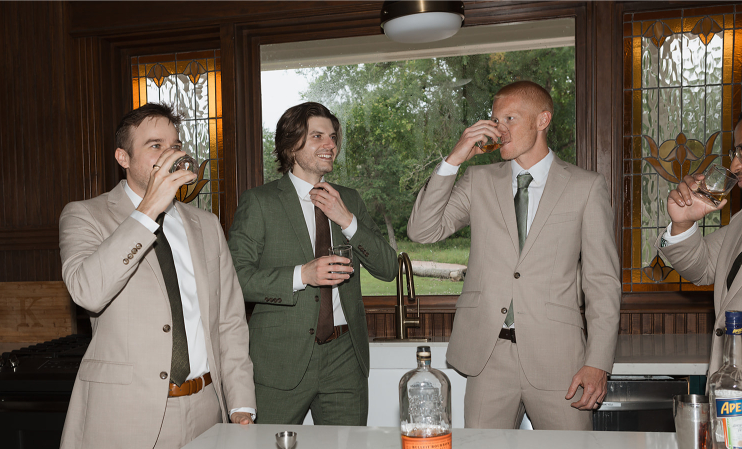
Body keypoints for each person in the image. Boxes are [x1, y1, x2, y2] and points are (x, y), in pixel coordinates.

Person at [58, 103, 256, 449]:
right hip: (127, 422)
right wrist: (148, 209)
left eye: (176, 145)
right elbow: (87, 291)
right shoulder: (85, 216)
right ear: (123, 157)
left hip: (207, 414)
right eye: (155, 146)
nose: (171, 155)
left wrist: (240, 404)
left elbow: (230, 322)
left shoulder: (206, 225)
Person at [407, 81, 621, 430]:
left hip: (561, 360)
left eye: (510, 118)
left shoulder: (586, 186)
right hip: (488, 356)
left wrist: (598, 362)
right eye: (495, 119)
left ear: (542, 120)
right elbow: (422, 230)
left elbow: (603, 282)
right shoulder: (478, 180)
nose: (499, 129)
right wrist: (455, 157)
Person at [228, 102, 398, 425]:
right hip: (280, 359)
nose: (330, 145)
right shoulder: (260, 203)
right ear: (292, 146)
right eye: (318, 136)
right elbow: (236, 279)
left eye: (333, 137)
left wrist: (347, 219)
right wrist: (302, 275)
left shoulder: (349, 199)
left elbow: (389, 268)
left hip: (345, 358)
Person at [656, 114, 742, 378]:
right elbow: (701, 269)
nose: (734, 164)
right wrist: (682, 225)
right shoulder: (739, 224)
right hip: (729, 395)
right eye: (735, 152)